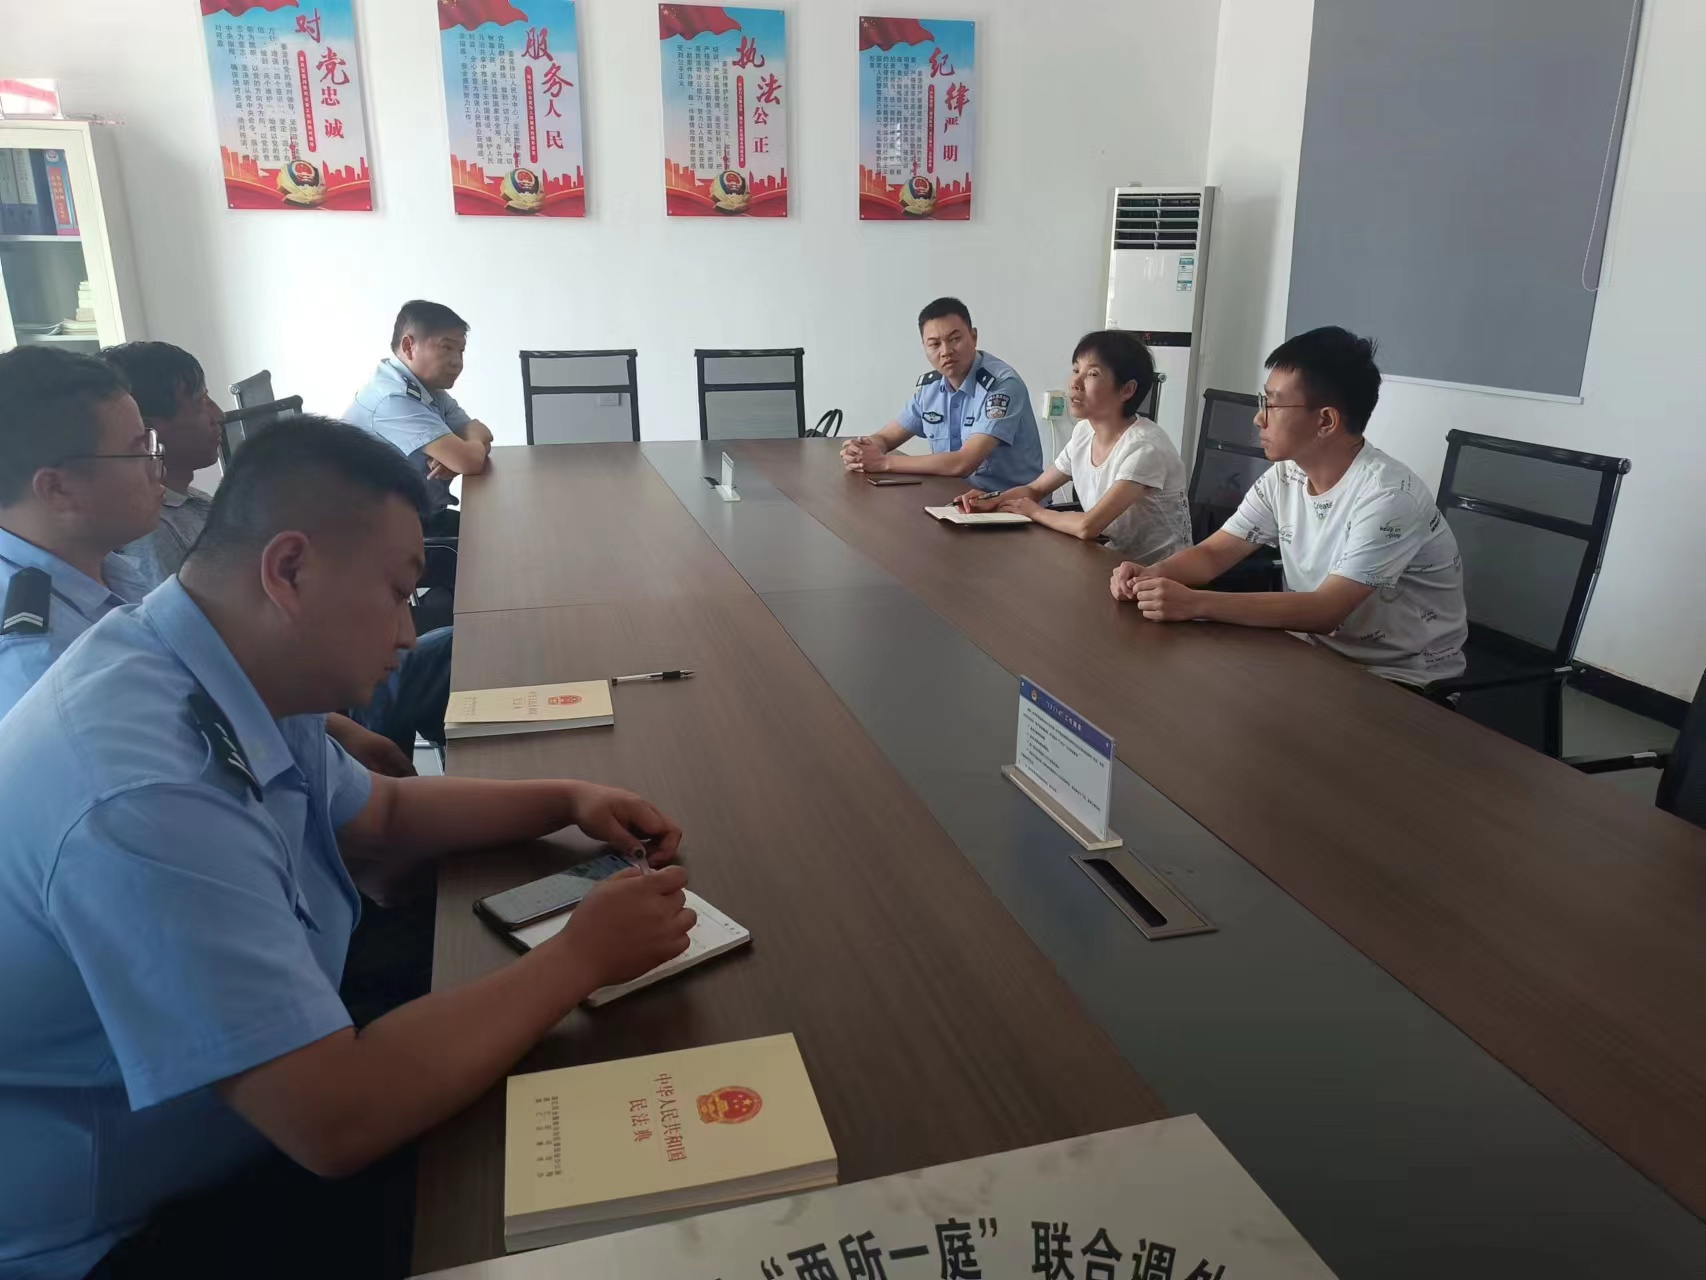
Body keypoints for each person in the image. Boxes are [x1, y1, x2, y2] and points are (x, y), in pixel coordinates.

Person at [0, 416, 696, 1280]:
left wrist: (566, 799)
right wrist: (580, 957)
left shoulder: (216, 659)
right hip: (126, 1225)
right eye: (399, 594)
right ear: (290, 570)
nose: (408, 634)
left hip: (267, 1091)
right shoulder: (142, 792)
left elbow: (386, 814)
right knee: (571, 1203)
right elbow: (336, 1120)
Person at [101, 341, 451, 771]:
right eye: (199, 402)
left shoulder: (196, 503)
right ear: (151, 431)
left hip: (305, 698)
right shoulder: (151, 535)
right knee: (449, 649)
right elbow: (211, 660)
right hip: (299, 693)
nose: (217, 414)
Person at [1110, 326, 1467, 685]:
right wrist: (1151, 575)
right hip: (1313, 656)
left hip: (1398, 682)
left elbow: (1326, 610)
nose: (1258, 417)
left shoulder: (1389, 497)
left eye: (1273, 404)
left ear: (1326, 421)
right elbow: (1213, 555)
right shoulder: (1285, 476)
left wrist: (1196, 603)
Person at [0, 347, 159, 721]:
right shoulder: (43, 665)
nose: (154, 467)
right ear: (57, 489)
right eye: (138, 452)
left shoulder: (104, 569)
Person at [952, 330, 1191, 561]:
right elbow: (1036, 489)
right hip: (1108, 562)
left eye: (1092, 374)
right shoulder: (1084, 432)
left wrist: (1035, 512)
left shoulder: (1145, 448)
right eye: (1076, 370)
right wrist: (993, 500)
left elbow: (1088, 526)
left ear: (1127, 390)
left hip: (1159, 575)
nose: (1075, 382)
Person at [840, 297, 1044, 492]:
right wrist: (862, 450)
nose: (946, 351)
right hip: (955, 500)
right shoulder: (931, 389)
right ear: (924, 347)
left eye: (954, 339)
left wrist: (884, 462)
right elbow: (886, 437)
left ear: (973, 337)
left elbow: (964, 462)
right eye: (934, 344)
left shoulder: (1001, 386)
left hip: (1011, 506)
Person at [344, 300, 493, 537]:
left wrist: (463, 451)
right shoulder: (393, 399)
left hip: (416, 521)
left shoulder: (430, 390)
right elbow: (470, 459)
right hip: (379, 537)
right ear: (408, 346)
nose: (457, 361)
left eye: (461, 351)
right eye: (447, 347)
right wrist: (466, 450)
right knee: (494, 545)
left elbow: (478, 435)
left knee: (496, 532)